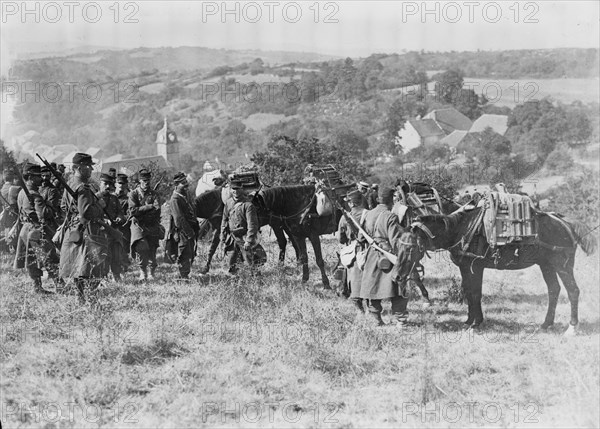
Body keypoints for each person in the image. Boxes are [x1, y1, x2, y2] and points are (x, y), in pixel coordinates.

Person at [357, 186, 410, 327]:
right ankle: (400, 320)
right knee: (398, 288)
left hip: (371, 255)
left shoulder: (368, 214)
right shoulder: (390, 216)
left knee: (372, 288)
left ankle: (376, 320)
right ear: (391, 199)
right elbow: (394, 240)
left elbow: (361, 238)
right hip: (387, 256)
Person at [59, 153, 108, 303]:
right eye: (88, 166)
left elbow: (62, 206)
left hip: (74, 228)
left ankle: (81, 298)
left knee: (79, 266)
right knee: (92, 265)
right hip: (87, 230)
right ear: (78, 168)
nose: (91, 169)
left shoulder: (71, 184)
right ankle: (90, 299)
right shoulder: (83, 187)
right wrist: (99, 205)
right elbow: (87, 212)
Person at [13, 163, 60, 294]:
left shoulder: (21, 193)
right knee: (48, 257)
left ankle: (37, 287)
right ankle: (60, 285)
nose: (41, 178)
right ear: (31, 178)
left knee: (32, 259)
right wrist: (50, 206)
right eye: (38, 176)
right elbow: (45, 214)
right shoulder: (35, 195)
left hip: (25, 229)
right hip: (35, 230)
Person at [220, 179, 261, 274]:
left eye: (238, 189)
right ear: (230, 190)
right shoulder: (228, 203)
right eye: (233, 189)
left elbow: (252, 225)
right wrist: (222, 236)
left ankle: (256, 283)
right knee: (231, 262)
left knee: (250, 262)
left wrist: (249, 240)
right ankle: (234, 283)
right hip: (231, 238)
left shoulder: (248, 205)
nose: (235, 191)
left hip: (244, 237)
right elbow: (224, 220)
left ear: (242, 189)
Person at [129, 169, 161, 280]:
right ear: (139, 181)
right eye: (144, 180)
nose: (146, 183)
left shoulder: (154, 194)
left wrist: (144, 211)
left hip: (152, 224)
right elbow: (133, 211)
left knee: (152, 248)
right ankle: (142, 271)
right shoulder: (133, 194)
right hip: (138, 225)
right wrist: (148, 207)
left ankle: (152, 272)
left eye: (148, 180)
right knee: (142, 246)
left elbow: (157, 209)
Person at [338, 190, 367, 313]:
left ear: (351, 203)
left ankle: (359, 307)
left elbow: (341, 238)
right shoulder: (368, 214)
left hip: (354, 251)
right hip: (368, 249)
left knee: (354, 279)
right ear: (361, 201)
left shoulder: (345, 218)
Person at [168, 172, 199, 279]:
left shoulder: (186, 195)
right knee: (184, 252)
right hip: (182, 231)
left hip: (190, 228)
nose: (185, 184)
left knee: (190, 252)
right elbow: (179, 219)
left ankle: (186, 275)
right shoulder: (175, 199)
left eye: (185, 181)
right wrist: (189, 232)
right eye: (182, 183)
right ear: (176, 185)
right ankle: (183, 277)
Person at [96, 173, 125, 282]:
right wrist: (103, 220)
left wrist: (119, 218)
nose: (108, 186)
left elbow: (120, 212)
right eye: (105, 184)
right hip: (101, 233)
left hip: (114, 232)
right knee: (104, 257)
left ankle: (116, 276)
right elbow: (92, 215)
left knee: (116, 255)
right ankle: (103, 278)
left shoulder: (114, 198)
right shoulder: (95, 198)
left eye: (110, 184)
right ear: (100, 184)